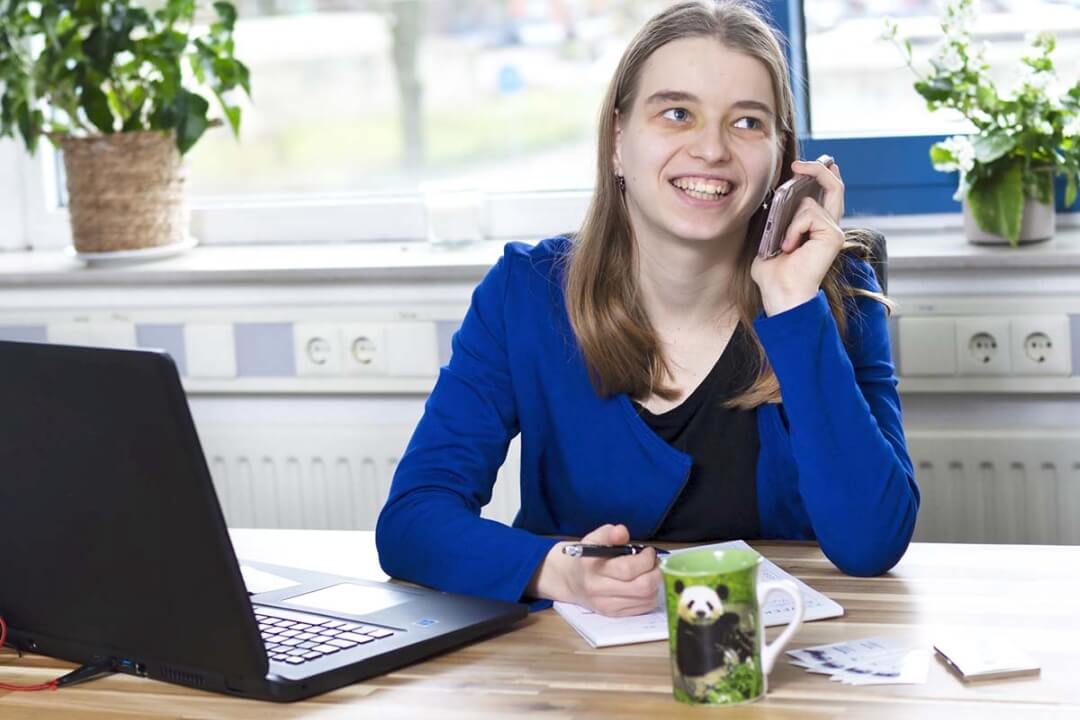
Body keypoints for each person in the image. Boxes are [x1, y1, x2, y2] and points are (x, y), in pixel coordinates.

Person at [376, 0, 919, 617]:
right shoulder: (524, 293)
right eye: (677, 113)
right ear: (617, 140)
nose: (711, 149)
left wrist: (792, 303)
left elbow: (872, 543)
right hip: (573, 677)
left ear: (781, 161)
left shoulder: (834, 289)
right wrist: (557, 572)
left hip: (770, 672)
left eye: (746, 123)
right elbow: (413, 519)